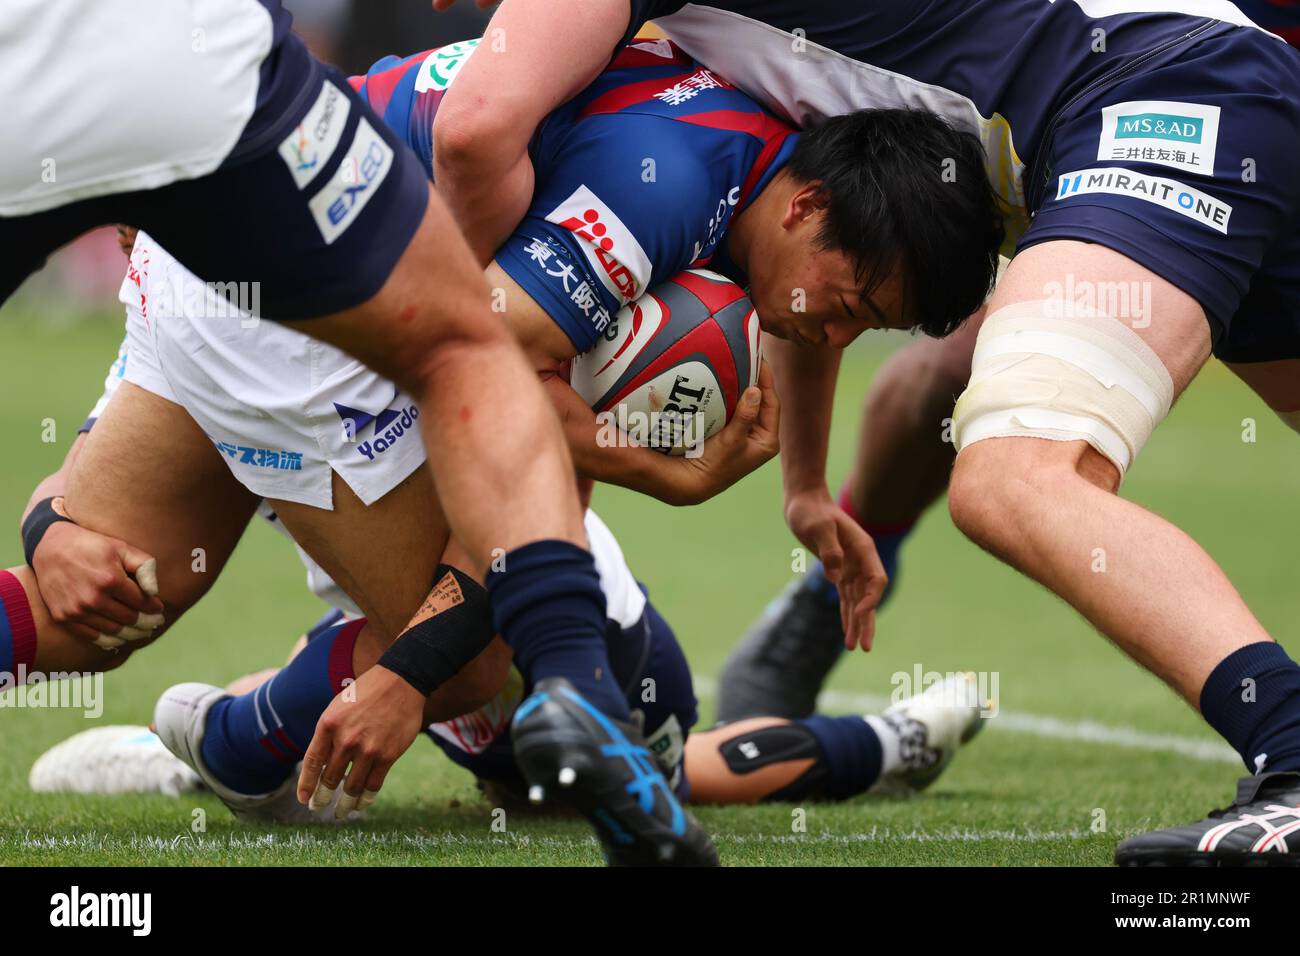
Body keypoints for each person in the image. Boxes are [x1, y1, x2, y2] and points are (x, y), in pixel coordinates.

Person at [426, 0, 1300, 865]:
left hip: (1151, 100)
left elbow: (475, 125)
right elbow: (817, 248)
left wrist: (432, 350)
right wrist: (805, 487)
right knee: (942, 396)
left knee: (1015, 477)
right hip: (1214, 79)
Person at [0, 0, 665, 864]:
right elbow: (512, 408)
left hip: (221, 226)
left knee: (102, 597)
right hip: (279, 256)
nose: (823, 330)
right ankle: (236, 747)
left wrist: (49, 527)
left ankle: (235, 741)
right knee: (464, 656)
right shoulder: (670, 171)